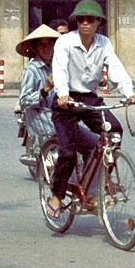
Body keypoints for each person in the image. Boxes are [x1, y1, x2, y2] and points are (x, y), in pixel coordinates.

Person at [46, 0, 135, 220]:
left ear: (99, 22)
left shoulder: (103, 43)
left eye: (90, 19)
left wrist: (129, 94)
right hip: (66, 101)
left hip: (89, 99)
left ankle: (96, 186)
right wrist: (61, 92)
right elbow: (59, 69)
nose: (85, 23)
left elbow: (115, 68)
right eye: (81, 19)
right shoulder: (65, 43)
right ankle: (57, 196)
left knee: (114, 134)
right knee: (67, 152)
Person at [16, 23, 97, 164]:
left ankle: (88, 178)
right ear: (35, 48)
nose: (46, 48)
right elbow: (24, 100)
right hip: (44, 119)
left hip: (61, 116)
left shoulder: (57, 65)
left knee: (94, 141)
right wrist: (45, 89)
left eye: (50, 44)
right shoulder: (31, 70)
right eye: (42, 45)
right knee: (79, 143)